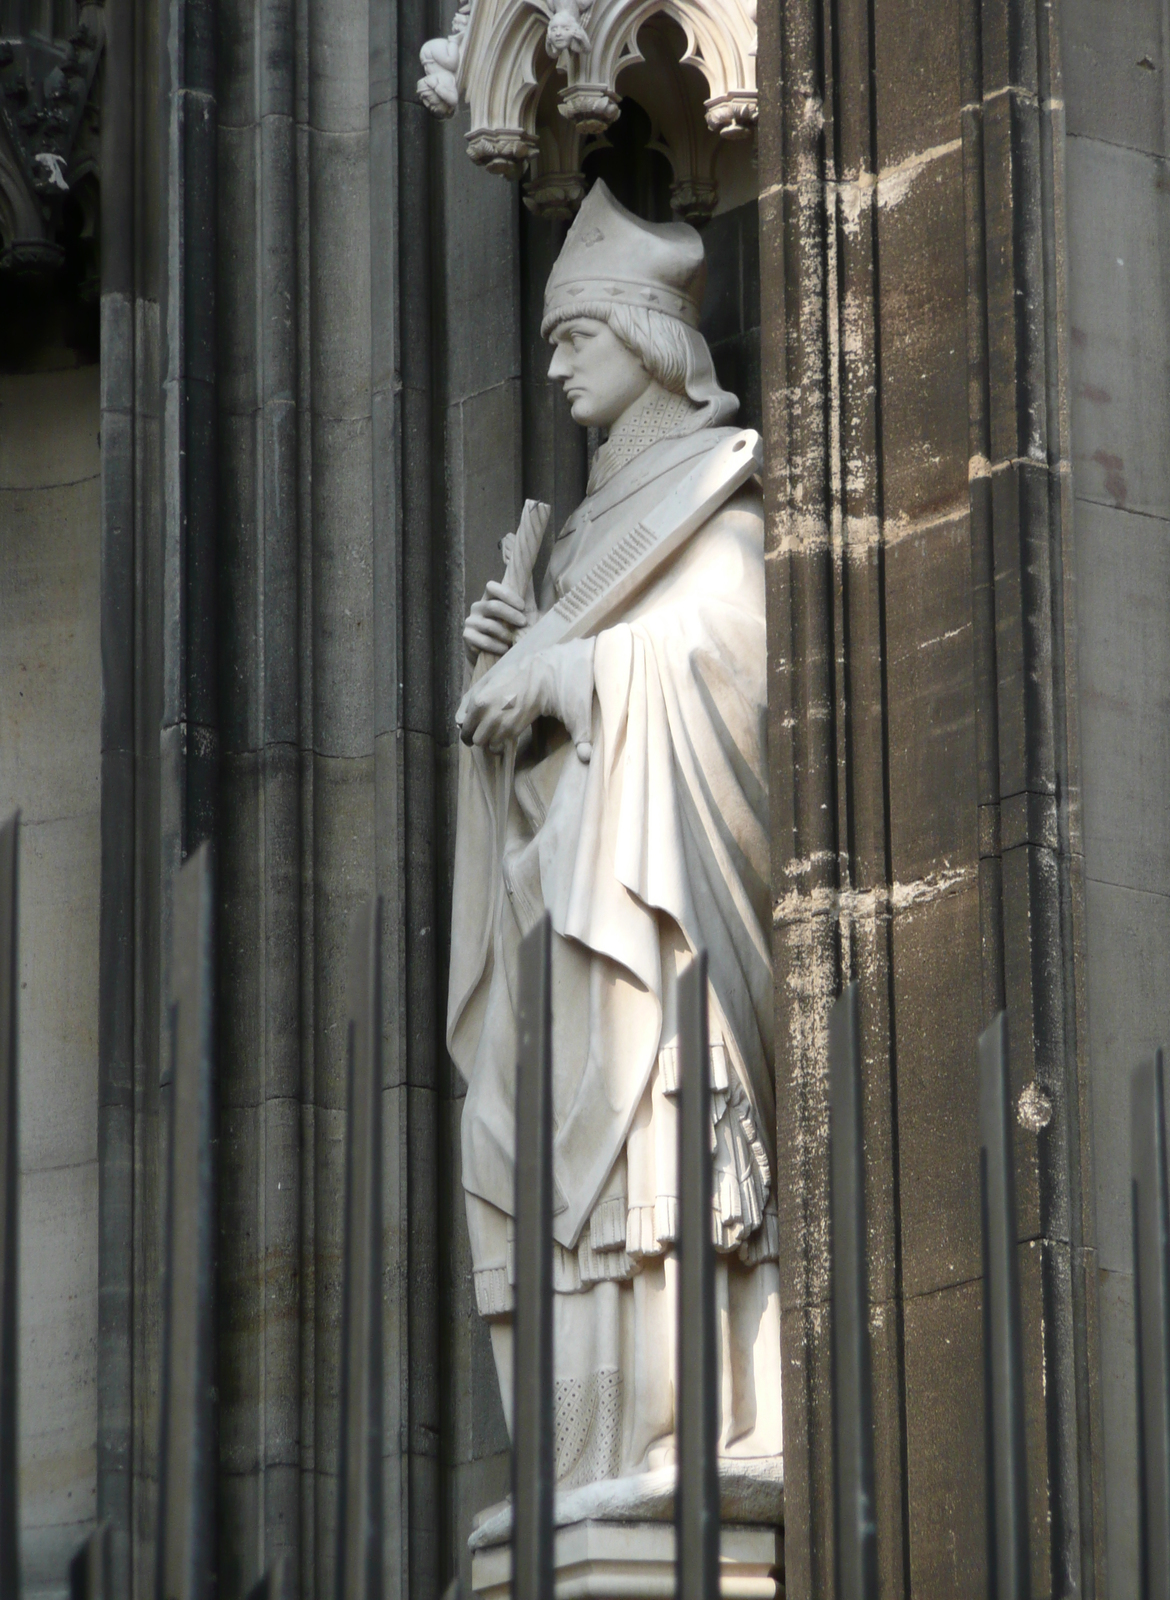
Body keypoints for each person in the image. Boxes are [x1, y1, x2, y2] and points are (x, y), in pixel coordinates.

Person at [448, 180, 781, 1489]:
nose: (551, 363)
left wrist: (574, 676)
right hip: (568, 924)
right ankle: (586, 1461)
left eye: (574, 335)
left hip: (649, 921)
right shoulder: (585, 539)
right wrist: (514, 685)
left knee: (661, 1135)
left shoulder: (713, 495)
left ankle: (679, 1433)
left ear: (646, 340)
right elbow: (550, 750)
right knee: (544, 1150)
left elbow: (729, 662)